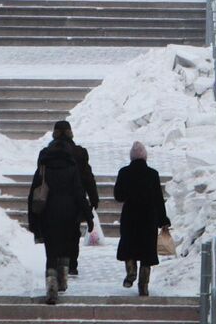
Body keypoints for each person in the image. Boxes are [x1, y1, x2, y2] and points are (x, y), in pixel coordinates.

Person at [28, 121, 98, 305]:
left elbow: (34, 190)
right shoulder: (73, 164)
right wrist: (89, 213)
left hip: (48, 212)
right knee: (68, 243)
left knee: (51, 249)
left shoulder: (44, 162)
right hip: (70, 212)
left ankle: (51, 281)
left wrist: (33, 219)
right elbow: (79, 189)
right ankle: (64, 275)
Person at [112, 140, 172, 296]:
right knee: (147, 251)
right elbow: (158, 199)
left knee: (129, 246)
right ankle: (143, 286)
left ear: (131, 157)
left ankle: (131, 272)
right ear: (145, 157)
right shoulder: (153, 174)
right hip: (148, 218)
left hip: (130, 216)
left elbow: (118, 196)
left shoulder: (124, 172)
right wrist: (163, 220)